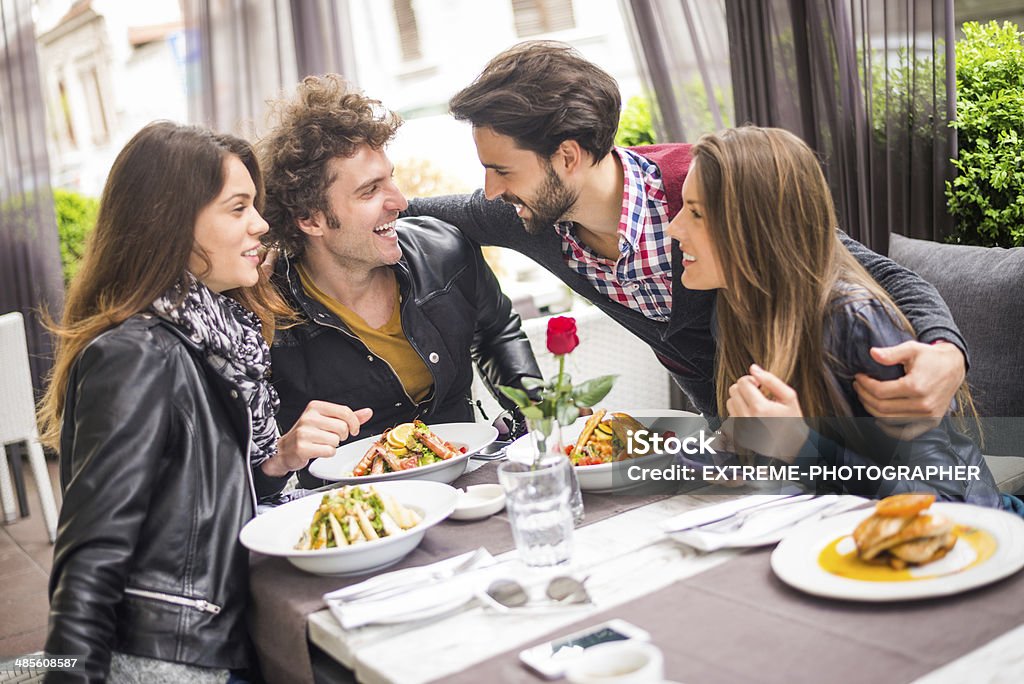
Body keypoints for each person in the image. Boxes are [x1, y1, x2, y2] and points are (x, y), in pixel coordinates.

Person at [405, 40, 968, 433]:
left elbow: (859, 272)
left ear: (568, 157)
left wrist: (946, 352)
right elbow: (405, 211)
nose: (489, 191)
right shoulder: (528, 214)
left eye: (501, 170)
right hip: (737, 450)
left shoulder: (700, 190)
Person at [38, 122, 364, 682]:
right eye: (237, 208)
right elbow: (91, 558)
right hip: (174, 661)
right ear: (171, 223)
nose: (261, 223)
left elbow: (199, 508)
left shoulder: (215, 336)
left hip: (225, 631)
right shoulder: (136, 352)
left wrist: (277, 459)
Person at [667, 125, 1001, 505]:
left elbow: (946, 501)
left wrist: (800, 447)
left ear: (756, 230)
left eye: (695, 213)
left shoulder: (855, 323)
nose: (674, 228)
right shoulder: (732, 310)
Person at [258, 74, 541, 490]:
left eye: (391, 177)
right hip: (356, 517)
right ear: (310, 219)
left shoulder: (446, 249)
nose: (400, 201)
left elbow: (497, 332)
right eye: (371, 190)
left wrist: (537, 411)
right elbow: (241, 484)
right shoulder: (263, 312)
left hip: (470, 485)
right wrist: (280, 455)